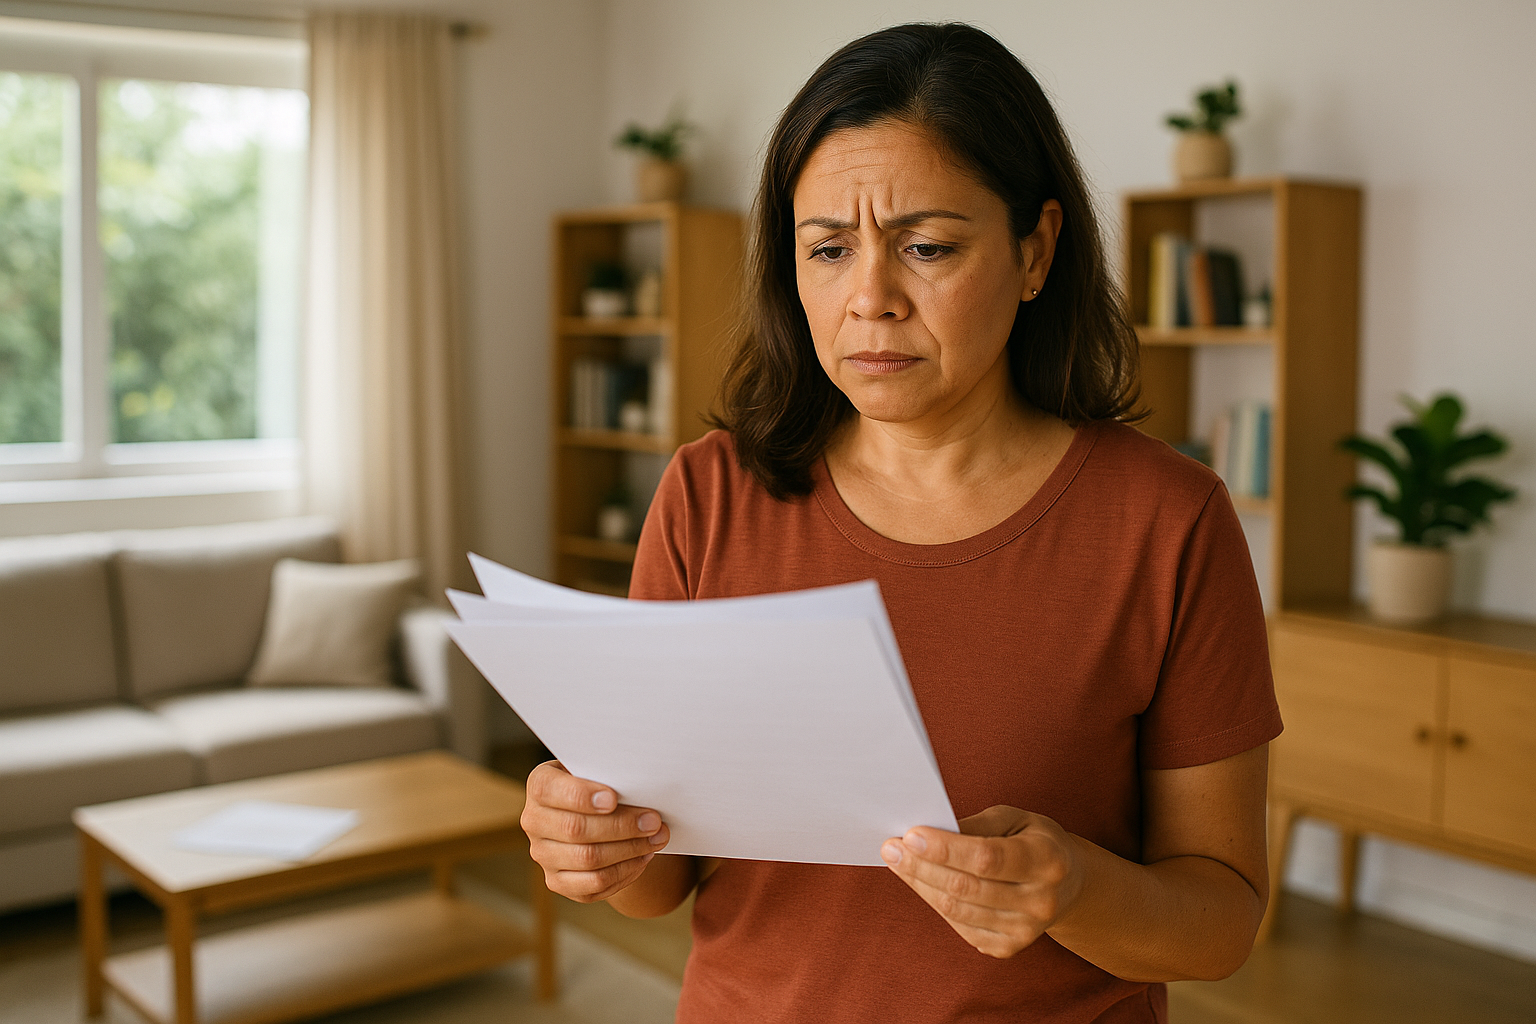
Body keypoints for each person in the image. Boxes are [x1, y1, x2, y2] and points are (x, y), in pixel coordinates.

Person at [520, 22, 1282, 1024]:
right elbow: (664, 880)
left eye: (927, 246)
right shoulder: (710, 496)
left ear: (1036, 249)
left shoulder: (1167, 522)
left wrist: (1077, 888)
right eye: (828, 249)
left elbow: (1220, 919)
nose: (869, 298)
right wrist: (590, 837)